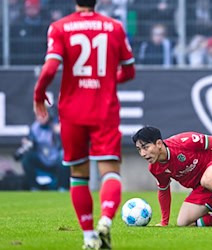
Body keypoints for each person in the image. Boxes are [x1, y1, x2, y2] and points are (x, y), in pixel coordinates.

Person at [32, 0, 135, 249]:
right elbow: (129, 71)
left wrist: (39, 94)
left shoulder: (59, 27)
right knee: (110, 170)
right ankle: (106, 221)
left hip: (72, 111)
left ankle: (89, 237)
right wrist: (107, 80)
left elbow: (50, 68)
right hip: (104, 109)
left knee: (78, 174)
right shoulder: (114, 27)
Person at [14, 110, 70, 191]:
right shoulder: (34, 128)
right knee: (27, 158)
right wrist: (27, 143)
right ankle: (34, 187)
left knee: (63, 155)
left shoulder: (57, 125)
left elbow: (67, 143)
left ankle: (63, 187)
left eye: (43, 115)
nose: (41, 118)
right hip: (42, 158)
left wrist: (60, 133)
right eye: (38, 115)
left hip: (56, 158)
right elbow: (30, 143)